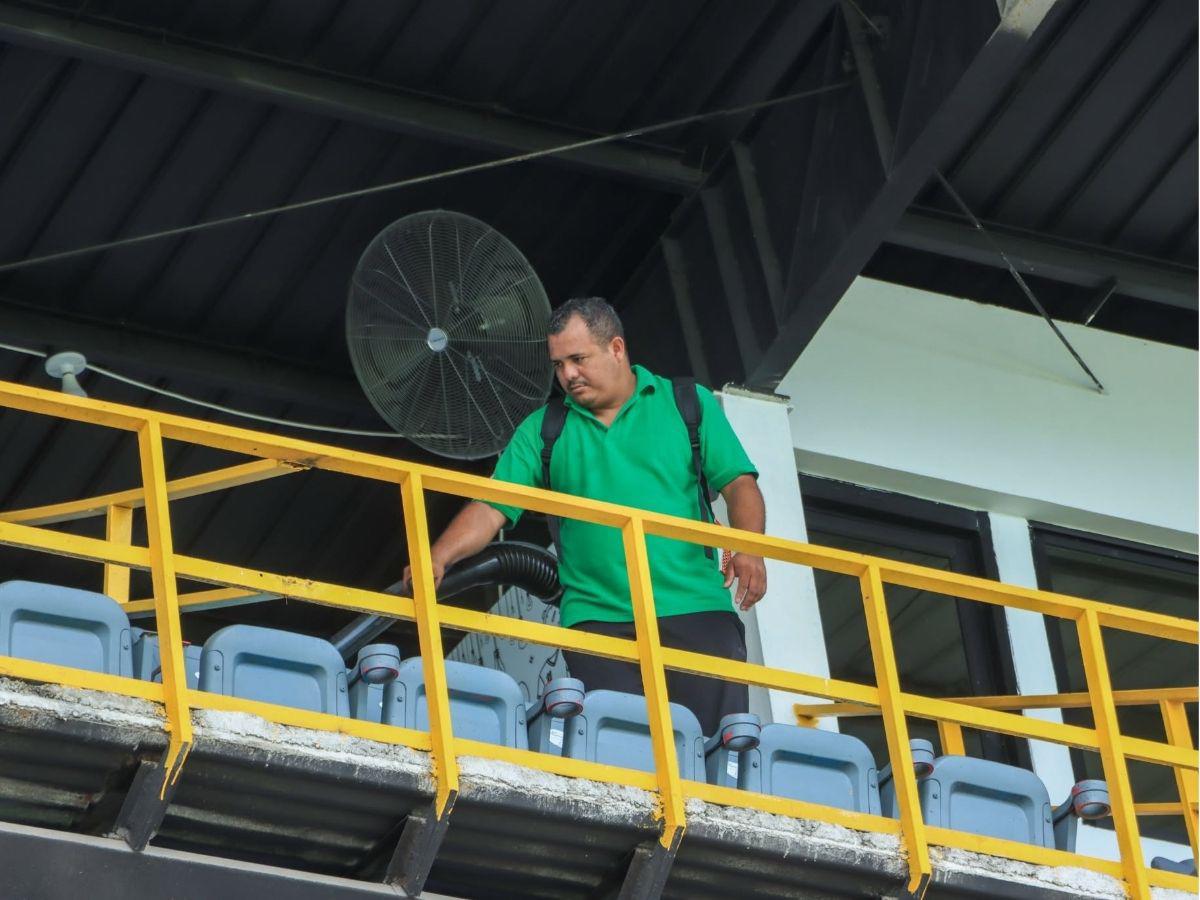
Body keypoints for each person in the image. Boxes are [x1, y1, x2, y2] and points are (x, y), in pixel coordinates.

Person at [404, 297, 767, 734]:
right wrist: (438, 556)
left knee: (714, 760)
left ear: (616, 348)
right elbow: (491, 506)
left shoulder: (688, 404)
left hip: (696, 609)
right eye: (559, 365)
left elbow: (740, 485)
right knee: (623, 762)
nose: (568, 375)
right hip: (598, 623)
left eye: (578, 359)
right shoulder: (544, 429)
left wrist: (750, 549)